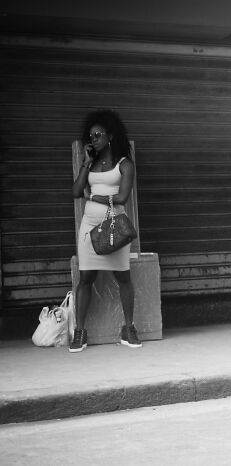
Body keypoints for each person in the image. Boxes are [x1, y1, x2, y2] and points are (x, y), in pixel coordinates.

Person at [70, 109, 140, 352]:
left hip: (114, 227)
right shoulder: (90, 164)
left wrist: (96, 195)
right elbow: (77, 191)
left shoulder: (124, 164)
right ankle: (80, 331)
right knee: (86, 277)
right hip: (89, 227)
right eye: (90, 136)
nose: (94, 140)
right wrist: (86, 163)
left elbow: (121, 196)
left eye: (98, 135)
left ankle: (128, 327)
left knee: (123, 276)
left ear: (110, 136)